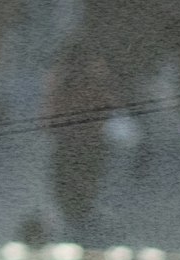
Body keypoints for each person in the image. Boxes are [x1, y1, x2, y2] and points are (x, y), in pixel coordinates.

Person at [43, 38, 124, 244]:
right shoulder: (95, 74)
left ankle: (73, 215)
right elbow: (107, 104)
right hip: (89, 139)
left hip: (70, 139)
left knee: (68, 178)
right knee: (85, 176)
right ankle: (80, 214)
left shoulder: (63, 75)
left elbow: (52, 106)